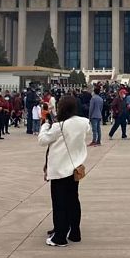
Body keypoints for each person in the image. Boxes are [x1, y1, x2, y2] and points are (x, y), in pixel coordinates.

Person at [39, 94, 89, 246]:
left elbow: (42, 140)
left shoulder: (58, 126)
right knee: (73, 201)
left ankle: (60, 236)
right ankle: (74, 232)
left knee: (59, 203)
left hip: (60, 170)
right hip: (75, 168)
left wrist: (44, 126)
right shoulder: (84, 122)